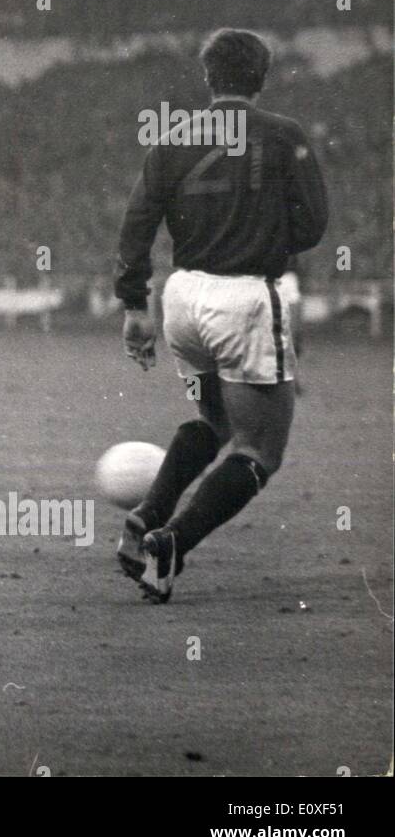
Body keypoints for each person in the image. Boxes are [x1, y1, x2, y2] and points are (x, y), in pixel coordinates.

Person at [112, 29, 328, 602]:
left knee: (215, 422)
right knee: (260, 449)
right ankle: (170, 543)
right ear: (261, 78)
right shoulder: (284, 136)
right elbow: (312, 225)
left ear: (208, 78)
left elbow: (137, 223)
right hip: (244, 299)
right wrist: (261, 231)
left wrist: (136, 305)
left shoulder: (173, 136)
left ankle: (146, 518)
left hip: (182, 299)